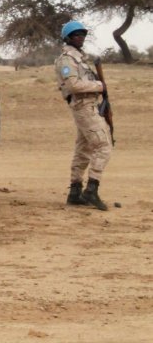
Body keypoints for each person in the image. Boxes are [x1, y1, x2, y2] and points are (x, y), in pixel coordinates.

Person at [54, 20, 112, 210]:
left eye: (83, 34)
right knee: (103, 145)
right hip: (83, 106)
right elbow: (73, 85)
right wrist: (100, 86)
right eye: (76, 35)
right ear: (68, 38)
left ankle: (75, 191)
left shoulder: (79, 58)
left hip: (89, 105)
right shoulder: (66, 59)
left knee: (83, 149)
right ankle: (92, 189)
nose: (80, 38)